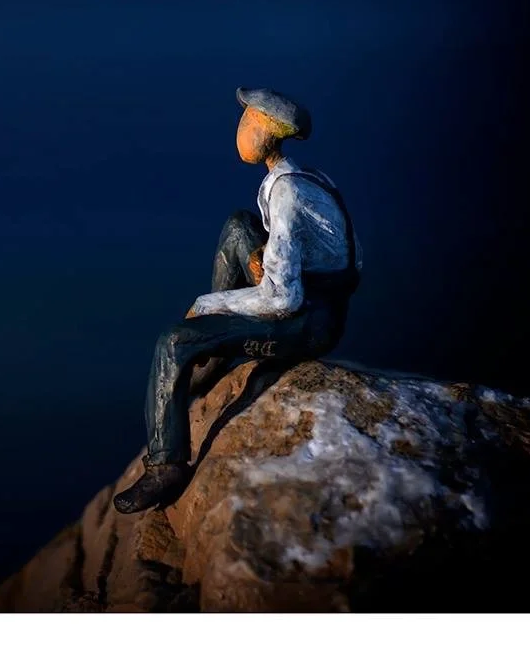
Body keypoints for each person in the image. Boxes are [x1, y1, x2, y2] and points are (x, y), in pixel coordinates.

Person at [111, 87, 362, 515]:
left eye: (247, 120)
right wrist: (274, 255)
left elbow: (283, 297)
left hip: (309, 321)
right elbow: (347, 257)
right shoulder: (307, 178)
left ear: (265, 130)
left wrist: (211, 304)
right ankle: (214, 357)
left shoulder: (288, 193)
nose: (239, 128)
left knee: (174, 341)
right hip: (314, 295)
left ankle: (167, 466)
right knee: (238, 225)